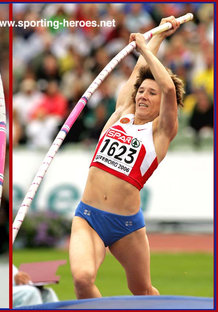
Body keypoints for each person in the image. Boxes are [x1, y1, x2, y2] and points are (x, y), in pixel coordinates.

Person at [69, 16, 185, 298]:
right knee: (83, 279)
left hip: (126, 225)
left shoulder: (161, 132)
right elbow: (136, 76)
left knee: (142, 289)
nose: (143, 96)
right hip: (88, 217)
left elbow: (168, 88)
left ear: (162, 104)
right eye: (141, 92)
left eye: (151, 93)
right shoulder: (120, 115)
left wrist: (146, 47)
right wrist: (158, 35)